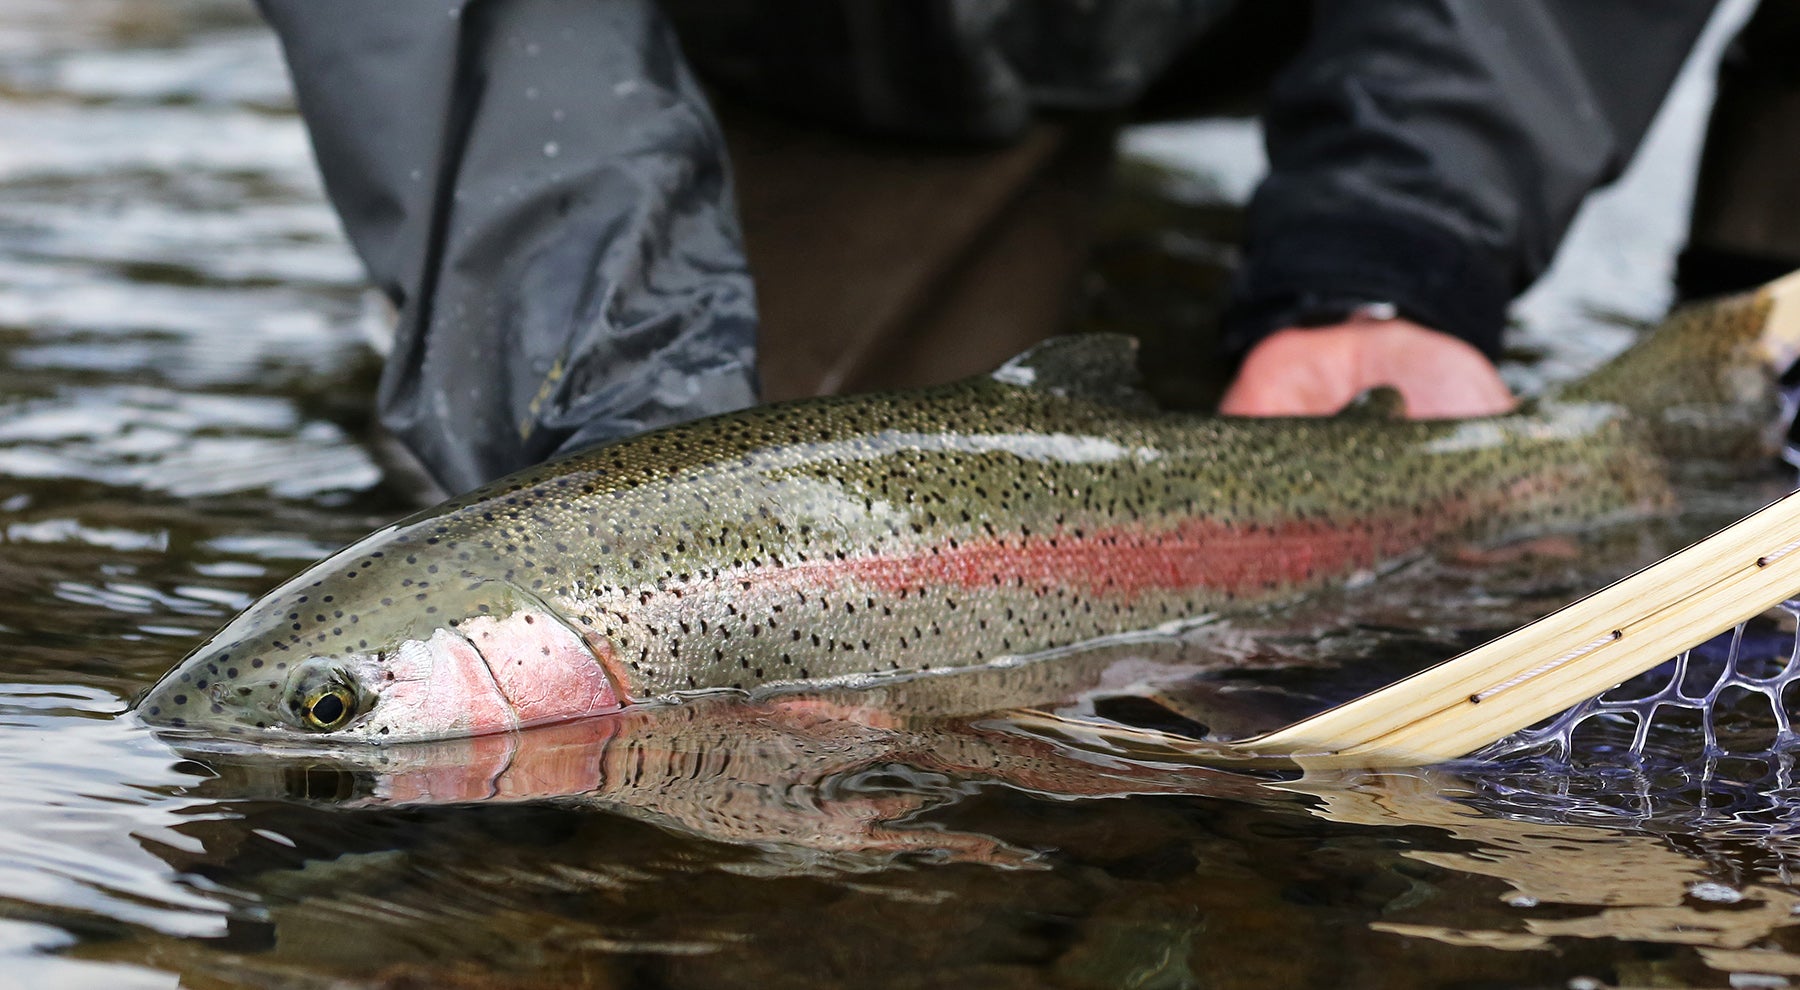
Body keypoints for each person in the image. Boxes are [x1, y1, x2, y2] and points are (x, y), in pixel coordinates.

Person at [254, 1, 1723, 495]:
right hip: (831, 37)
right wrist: (606, 388)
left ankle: (1748, 351)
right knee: (655, 443)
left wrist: (1405, 246)